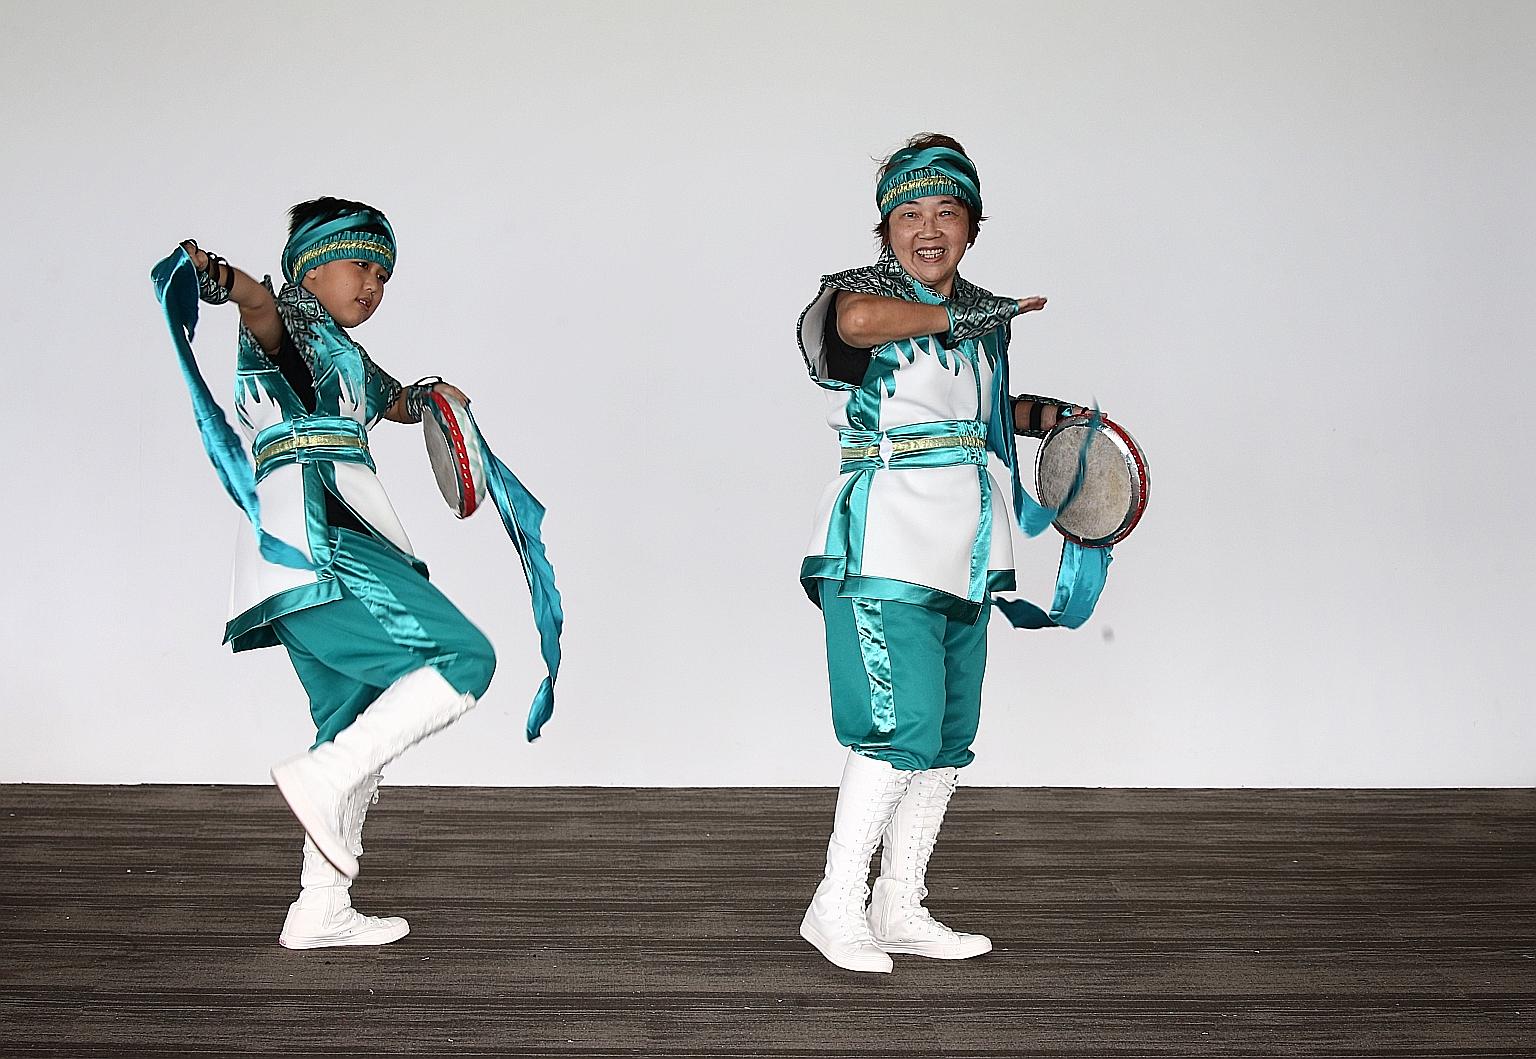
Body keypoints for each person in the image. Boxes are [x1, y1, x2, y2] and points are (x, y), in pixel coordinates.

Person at [159, 198, 501, 949]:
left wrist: (438, 397)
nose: (373, 285)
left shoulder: (347, 353)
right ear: (309, 265)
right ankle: (328, 775)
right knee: (467, 657)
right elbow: (253, 301)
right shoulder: (287, 323)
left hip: (301, 555)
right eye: (360, 265)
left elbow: (400, 401)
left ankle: (320, 905)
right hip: (323, 537)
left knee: (348, 714)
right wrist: (218, 276)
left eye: (384, 274)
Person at [795, 135, 1089, 973]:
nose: (928, 229)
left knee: (951, 733)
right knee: (898, 727)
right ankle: (836, 904)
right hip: (882, 542)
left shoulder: (986, 321)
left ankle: (899, 904)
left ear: (973, 226)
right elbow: (856, 326)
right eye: (909, 214)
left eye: (946, 213)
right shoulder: (861, 296)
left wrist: (1052, 420)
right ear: (885, 229)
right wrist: (968, 313)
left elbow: (986, 417)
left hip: (966, 547)